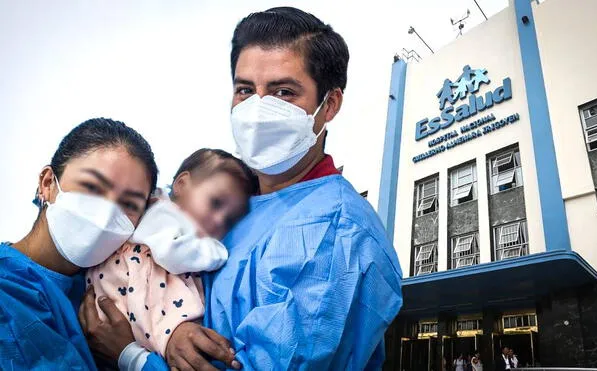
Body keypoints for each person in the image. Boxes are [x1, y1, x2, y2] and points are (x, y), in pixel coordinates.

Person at [81, 6, 403, 371]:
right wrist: (172, 334)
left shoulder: (337, 233)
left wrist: (131, 355)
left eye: (284, 92)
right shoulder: (231, 205)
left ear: (328, 105)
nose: (259, 108)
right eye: (245, 90)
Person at [0, 118, 159, 370]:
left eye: (129, 205)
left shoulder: (120, 286)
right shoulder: (7, 294)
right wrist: (133, 358)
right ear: (48, 183)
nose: (106, 215)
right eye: (92, 187)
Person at [86, 149, 257, 359]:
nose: (219, 221)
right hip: (127, 300)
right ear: (182, 184)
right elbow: (172, 254)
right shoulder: (162, 213)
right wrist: (217, 252)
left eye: (229, 220)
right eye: (215, 203)